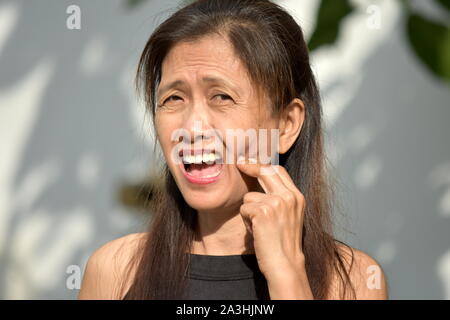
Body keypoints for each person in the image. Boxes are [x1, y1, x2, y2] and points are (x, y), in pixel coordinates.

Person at [78, 0, 388, 300]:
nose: (193, 127)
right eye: (174, 98)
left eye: (221, 97)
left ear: (286, 124)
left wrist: (288, 274)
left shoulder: (353, 280)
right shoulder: (116, 271)